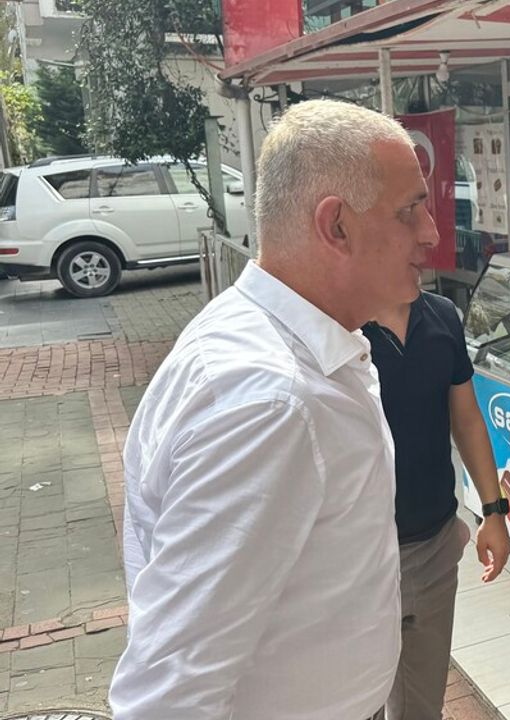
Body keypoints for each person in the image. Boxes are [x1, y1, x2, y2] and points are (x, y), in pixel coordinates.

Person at [110, 99, 440, 720]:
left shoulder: (284, 343)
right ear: (336, 226)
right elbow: (168, 694)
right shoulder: (270, 402)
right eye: (409, 210)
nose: (431, 233)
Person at [365, 290, 510, 719]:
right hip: (360, 559)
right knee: (353, 701)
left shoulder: (442, 315)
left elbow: (466, 419)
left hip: (433, 549)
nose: (425, 252)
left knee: (420, 705)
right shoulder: (341, 324)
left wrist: (493, 512)